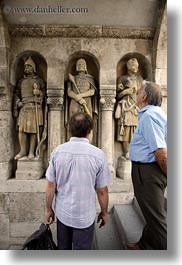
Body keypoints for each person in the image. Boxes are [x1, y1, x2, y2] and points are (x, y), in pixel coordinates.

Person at [45, 112, 112, 250]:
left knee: (63, 249)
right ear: (90, 130)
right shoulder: (98, 155)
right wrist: (104, 212)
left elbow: (51, 184)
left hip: (63, 213)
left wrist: (48, 209)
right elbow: (102, 190)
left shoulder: (57, 152)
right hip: (84, 217)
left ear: (70, 129)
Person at [128, 81, 167, 250]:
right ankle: (145, 243)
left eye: (137, 93)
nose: (135, 95)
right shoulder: (152, 114)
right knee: (150, 211)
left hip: (148, 172)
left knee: (156, 218)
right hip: (148, 171)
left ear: (144, 96)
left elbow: (161, 153)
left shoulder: (150, 116)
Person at [13, 56, 46, 160]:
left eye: (29, 66)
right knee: (21, 130)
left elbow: (45, 94)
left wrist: (39, 93)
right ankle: (22, 151)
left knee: (33, 131)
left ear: (33, 68)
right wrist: (18, 102)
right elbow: (16, 94)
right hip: (24, 107)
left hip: (35, 107)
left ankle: (31, 152)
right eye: (25, 66)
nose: (26, 68)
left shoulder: (39, 81)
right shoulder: (21, 81)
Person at [115, 58, 143, 159]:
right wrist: (126, 92)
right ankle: (126, 152)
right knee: (125, 131)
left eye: (137, 66)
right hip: (126, 106)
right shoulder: (122, 79)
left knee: (136, 131)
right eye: (134, 66)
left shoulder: (140, 79)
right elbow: (117, 96)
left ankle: (134, 151)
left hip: (136, 107)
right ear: (129, 66)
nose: (137, 68)